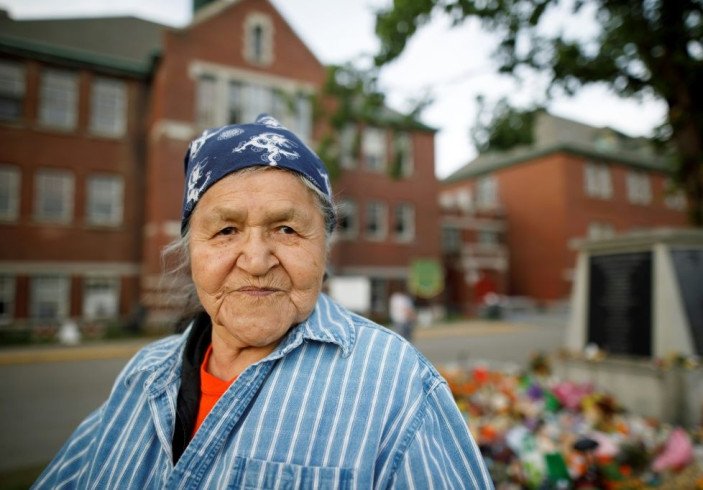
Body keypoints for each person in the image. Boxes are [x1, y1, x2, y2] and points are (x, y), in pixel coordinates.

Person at [34, 115, 493, 489]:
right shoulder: (143, 376)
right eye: (226, 230)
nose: (255, 260)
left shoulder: (398, 386)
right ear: (191, 249)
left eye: (287, 229)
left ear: (324, 247)